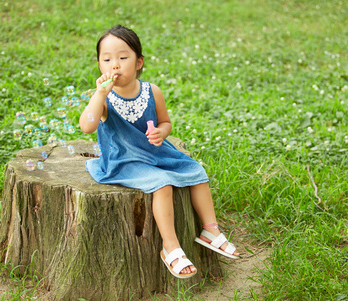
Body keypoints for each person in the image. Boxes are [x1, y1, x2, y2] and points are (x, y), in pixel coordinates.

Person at [79, 25, 239, 279]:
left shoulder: (152, 91)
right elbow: (87, 126)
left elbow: (165, 122)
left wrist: (162, 133)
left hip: (155, 153)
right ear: (99, 65)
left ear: (139, 62)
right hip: (124, 160)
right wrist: (99, 94)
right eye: (107, 59)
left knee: (196, 171)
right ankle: (170, 246)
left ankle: (210, 230)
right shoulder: (103, 99)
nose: (115, 65)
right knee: (162, 183)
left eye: (123, 57)